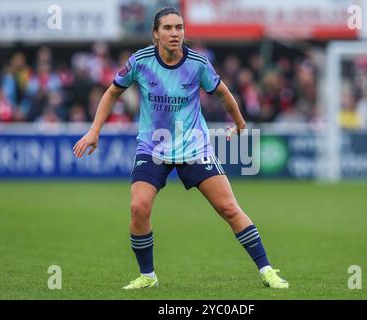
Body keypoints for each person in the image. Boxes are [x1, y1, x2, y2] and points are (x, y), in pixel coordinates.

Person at [73, 7, 288, 290]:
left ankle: (267, 270)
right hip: (153, 146)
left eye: (179, 27)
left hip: (193, 146)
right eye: (168, 28)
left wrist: (239, 123)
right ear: (155, 34)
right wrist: (94, 130)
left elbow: (223, 92)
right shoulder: (140, 61)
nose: (175, 33)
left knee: (228, 208)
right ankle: (147, 276)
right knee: (139, 207)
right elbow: (113, 91)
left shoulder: (198, 63)